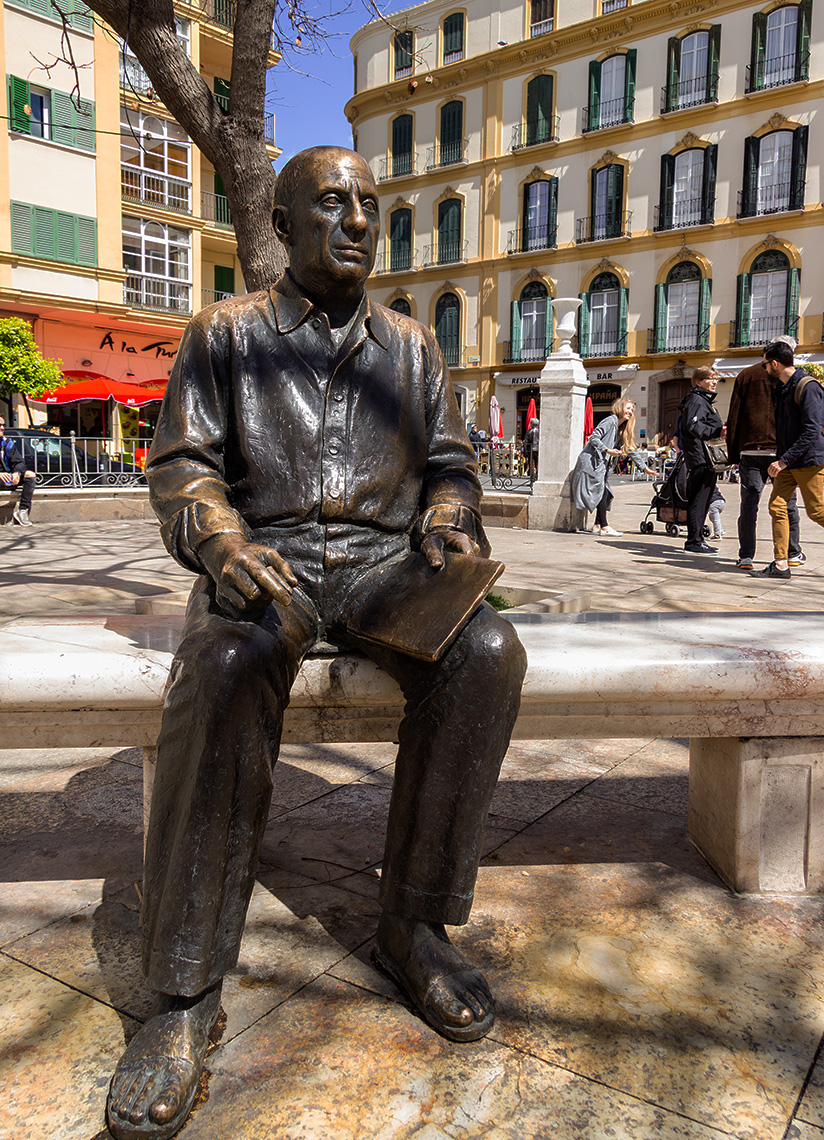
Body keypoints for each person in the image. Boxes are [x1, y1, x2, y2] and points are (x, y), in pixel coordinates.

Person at [105, 146, 527, 1140]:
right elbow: (183, 470)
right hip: (273, 558)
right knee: (223, 662)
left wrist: (449, 518)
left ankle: (412, 926)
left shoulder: (410, 347)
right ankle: (183, 992)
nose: (357, 221)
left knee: (488, 653)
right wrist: (221, 543)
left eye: (368, 205)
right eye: (332, 203)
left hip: (386, 565)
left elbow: (451, 467)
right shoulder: (224, 335)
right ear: (283, 224)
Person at [726, 335, 804, 571]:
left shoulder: (745, 375)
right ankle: (792, 552)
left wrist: (734, 454)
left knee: (749, 505)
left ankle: (746, 556)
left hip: (751, 449)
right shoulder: (792, 377)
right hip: (781, 452)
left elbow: (734, 415)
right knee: (787, 504)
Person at [750, 341, 824, 580]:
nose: (763, 369)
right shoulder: (782, 388)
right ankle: (781, 564)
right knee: (777, 507)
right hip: (788, 462)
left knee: (817, 511)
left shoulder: (808, 387)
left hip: (809, 461)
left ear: (774, 363)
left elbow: (811, 431)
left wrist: (784, 460)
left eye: (764, 365)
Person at [571, 397, 656, 536]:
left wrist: (644, 468)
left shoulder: (622, 428)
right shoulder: (610, 421)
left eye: (632, 409)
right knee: (603, 492)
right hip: (592, 462)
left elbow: (630, 449)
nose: (630, 411)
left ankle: (597, 525)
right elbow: (594, 437)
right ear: (620, 407)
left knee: (605, 493)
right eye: (628, 408)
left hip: (600, 465)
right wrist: (607, 450)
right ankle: (604, 526)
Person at [677, 366, 724, 553]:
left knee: (704, 499)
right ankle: (693, 541)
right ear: (698, 382)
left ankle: (697, 539)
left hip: (704, 457)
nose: (714, 382)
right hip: (701, 457)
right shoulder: (697, 399)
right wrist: (718, 431)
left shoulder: (703, 400)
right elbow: (694, 426)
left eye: (715, 378)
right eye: (709, 378)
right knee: (699, 498)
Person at [0, 417, 36, 526]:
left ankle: (22, 511)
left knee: (30, 474)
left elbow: (19, 462)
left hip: (8, 479)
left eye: (3, 425)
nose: (2, 428)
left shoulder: (7, 443)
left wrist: (17, 473)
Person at [522, 416, 539, 482]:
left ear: (532, 424)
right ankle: (537, 478)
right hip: (538, 449)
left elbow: (525, 442)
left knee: (531, 464)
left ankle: (532, 479)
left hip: (531, 450)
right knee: (537, 464)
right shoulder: (540, 432)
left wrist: (525, 451)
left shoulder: (529, 432)